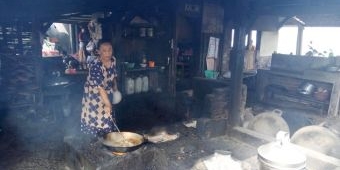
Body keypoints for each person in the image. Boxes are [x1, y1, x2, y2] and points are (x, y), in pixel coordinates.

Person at [80, 40, 119, 138]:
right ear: (98, 51)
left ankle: (108, 136)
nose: (107, 53)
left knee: (108, 115)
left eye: (109, 50)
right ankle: (96, 139)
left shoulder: (113, 60)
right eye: (104, 50)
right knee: (96, 117)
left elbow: (114, 76)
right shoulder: (95, 66)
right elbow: (100, 88)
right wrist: (107, 104)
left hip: (107, 92)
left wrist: (115, 90)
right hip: (94, 95)